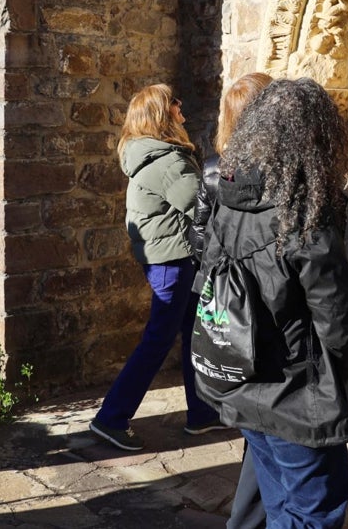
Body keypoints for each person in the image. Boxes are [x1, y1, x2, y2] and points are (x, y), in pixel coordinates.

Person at [196, 78, 348, 529]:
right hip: (294, 389)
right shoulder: (303, 207)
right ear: (315, 136)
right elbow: (336, 314)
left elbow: (208, 271)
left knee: (278, 502)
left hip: (244, 377)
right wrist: (333, 378)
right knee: (314, 511)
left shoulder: (228, 190)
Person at [90, 83, 218, 450]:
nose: (182, 107)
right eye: (175, 102)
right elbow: (200, 206)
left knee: (193, 333)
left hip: (169, 258)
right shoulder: (166, 160)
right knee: (158, 340)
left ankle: (203, 413)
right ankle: (111, 418)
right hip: (173, 260)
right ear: (161, 114)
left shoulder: (151, 154)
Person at [185, 71, 271, 529]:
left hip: (224, 306)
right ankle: (249, 516)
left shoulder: (217, 167)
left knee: (248, 412)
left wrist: (221, 275)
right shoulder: (280, 172)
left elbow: (198, 238)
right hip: (264, 311)